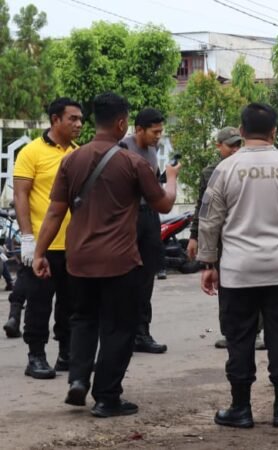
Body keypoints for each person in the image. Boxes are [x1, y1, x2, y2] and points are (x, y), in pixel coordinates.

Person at [32, 92, 179, 417]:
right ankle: (107, 396)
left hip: (78, 260)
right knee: (119, 328)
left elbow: (55, 213)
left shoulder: (72, 159)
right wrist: (171, 179)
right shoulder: (132, 163)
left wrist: (39, 253)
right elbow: (164, 205)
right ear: (122, 123)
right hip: (120, 262)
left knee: (83, 320)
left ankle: (79, 380)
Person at [197, 103, 278, 429]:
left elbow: (210, 219)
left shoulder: (226, 169)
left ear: (241, 132)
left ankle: (240, 408)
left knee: (239, 340)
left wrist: (208, 262)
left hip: (238, 271)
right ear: (274, 132)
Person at [13, 97, 82, 379]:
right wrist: (28, 237)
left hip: (74, 245)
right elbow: (20, 195)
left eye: (81, 119)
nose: (78, 124)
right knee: (39, 303)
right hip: (42, 245)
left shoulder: (79, 154)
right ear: (55, 119)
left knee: (71, 303)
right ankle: (36, 356)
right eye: (72, 119)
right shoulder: (31, 152)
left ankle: (66, 352)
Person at [186, 127, 249, 350]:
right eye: (230, 145)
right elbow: (202, 207)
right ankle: (229, 331)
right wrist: (194, 237)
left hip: (245, 233)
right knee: (225, 285)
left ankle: (255, 331)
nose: (234, 149)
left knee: (251, 282)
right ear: (218, 147)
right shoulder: (210, 172)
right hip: (220, 237)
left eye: (237, 145)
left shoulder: (248, 168)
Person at [120, 108, 169, 354]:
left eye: (160, 132)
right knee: (125, 276)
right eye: (154, 131)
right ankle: (122, 334)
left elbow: (154, 181)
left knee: (147, 276)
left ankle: (142, 332)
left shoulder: (153, 151)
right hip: (128, 216)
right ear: (138, 129)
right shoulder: (122, 148)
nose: (158, 136)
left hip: (149, 215)